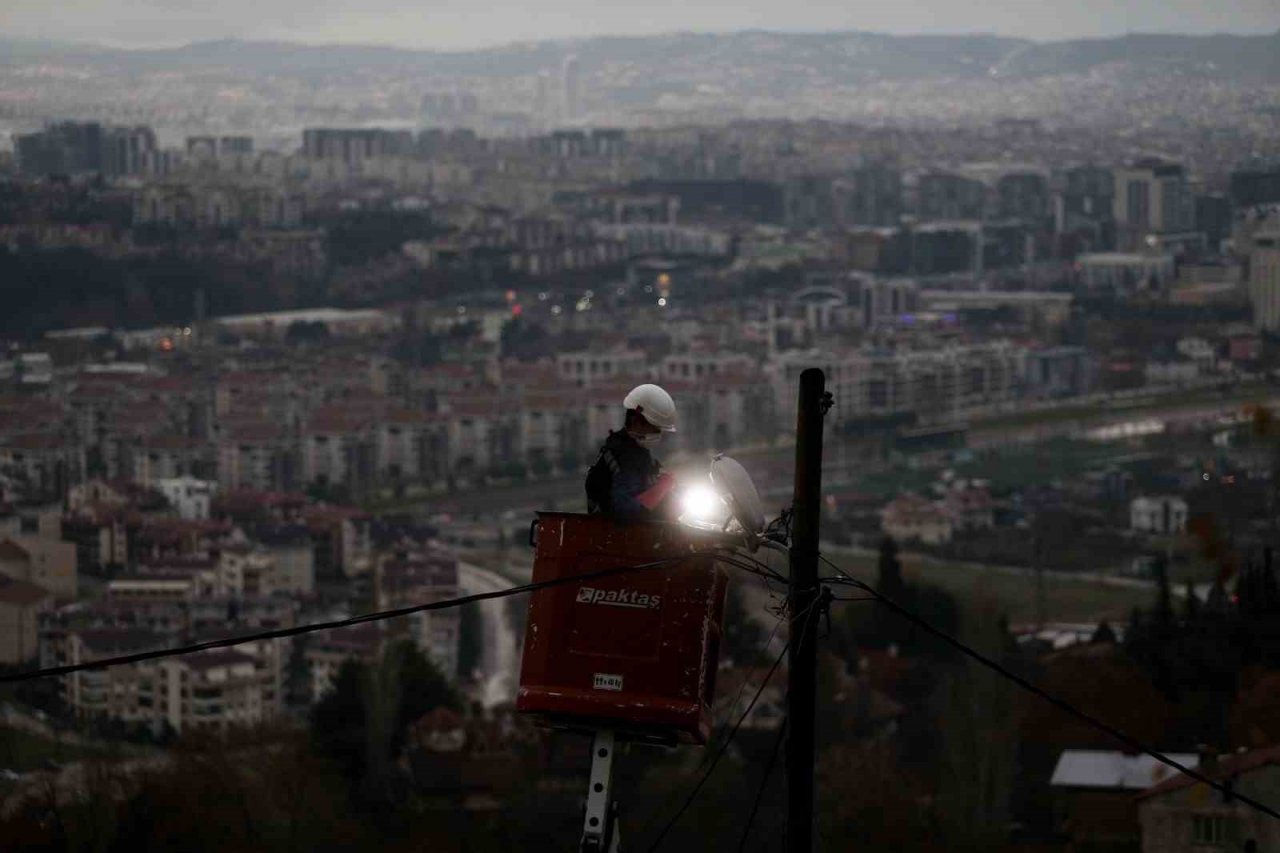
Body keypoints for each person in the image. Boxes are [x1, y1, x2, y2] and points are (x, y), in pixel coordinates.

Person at [585, 383, 679, 519]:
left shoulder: (637, 453)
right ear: (636, 422)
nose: (659, 435)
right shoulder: (624, 457)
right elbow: (625, 510)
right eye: (655, 429)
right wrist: (662, 488)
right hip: (618, 537)